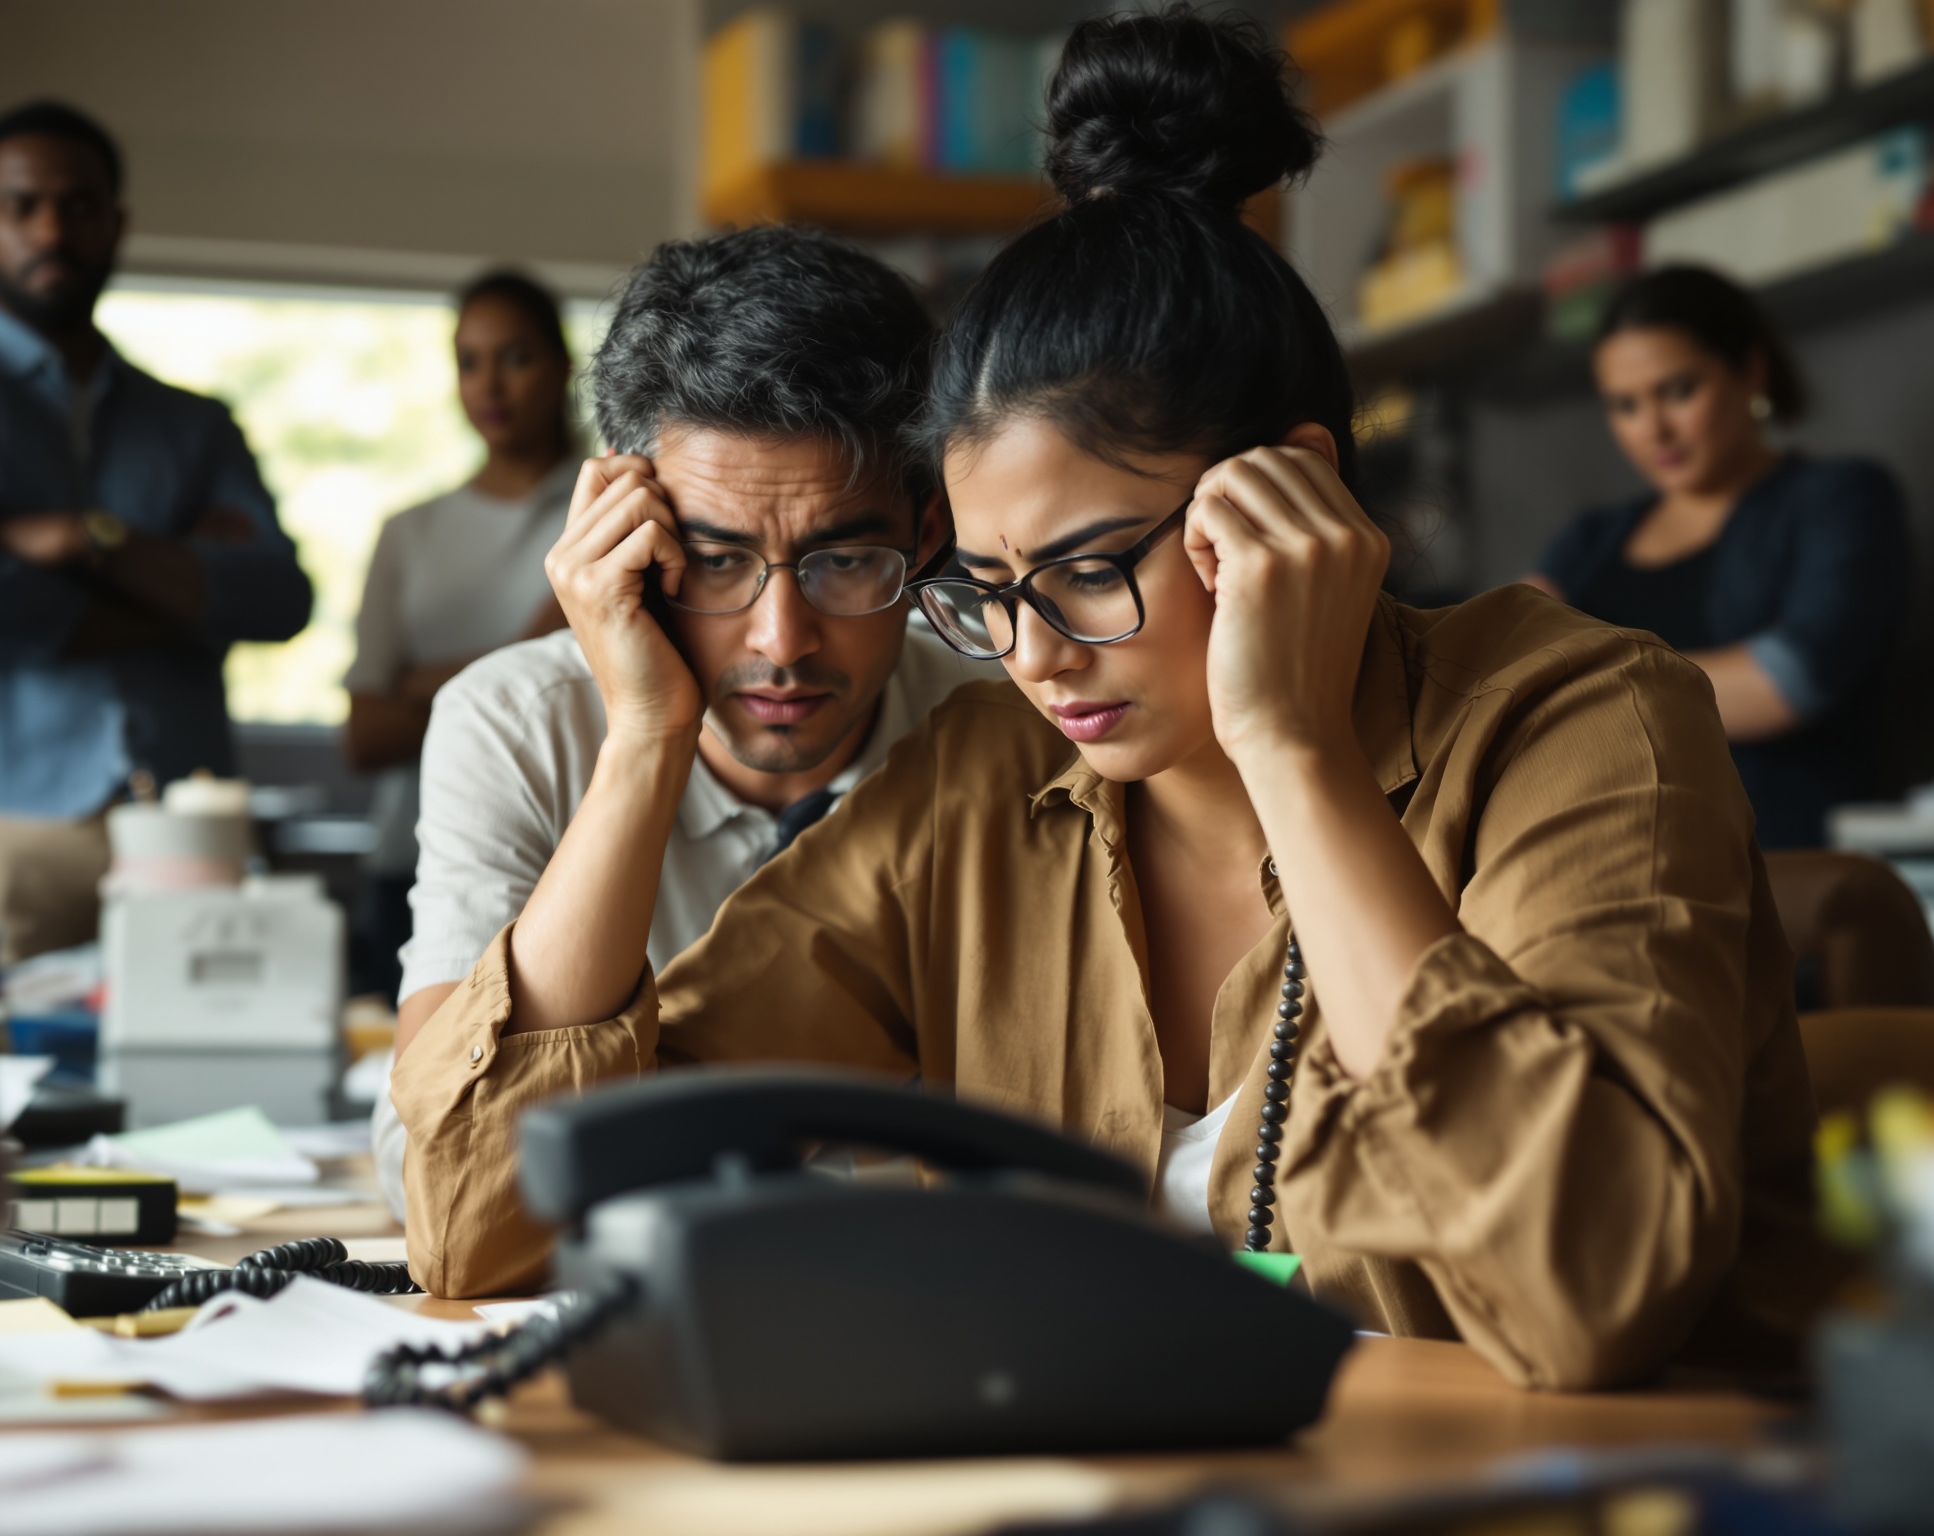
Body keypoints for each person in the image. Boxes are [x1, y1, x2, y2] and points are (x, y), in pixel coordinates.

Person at [392, 9, 1827, 1392]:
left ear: (1296, 496)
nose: (1036, 656)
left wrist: (1296, 753)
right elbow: (480, 1227)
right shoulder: (979, 785)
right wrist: (647, 734)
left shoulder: (1582, 723)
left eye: (1088, 571)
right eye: (990, 587)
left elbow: (1595, 1295)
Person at [369, 225, 997, 1215]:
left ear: (927, 533)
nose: (780, 640)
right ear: (623, 525)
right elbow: (429, 1172)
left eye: (843, 561)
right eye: (715, 561)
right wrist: (645, 737)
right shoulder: (514, 725)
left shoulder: (998, 729)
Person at [0, 101, 312, 959]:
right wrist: (181, 593)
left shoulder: (196, 424)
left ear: (116, 224)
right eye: (21, 206)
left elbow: (279, 598)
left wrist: (89, 539)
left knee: (211, 1071)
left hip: (192, 824)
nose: (51, 229)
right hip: (2, 822)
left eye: (78, 206)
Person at [1525, 266, 1907, 849]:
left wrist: (1576, 689)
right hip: (1604, 860)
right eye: (1624, 406)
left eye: (1677, 391)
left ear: (1750, 372)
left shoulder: (1837, 498)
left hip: (1778, 865)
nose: (1653, 429)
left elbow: (1789, 681)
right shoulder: (1589, 539)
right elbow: (1510, 675)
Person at [342, 271, 581, 999]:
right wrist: (525, 655)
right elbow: (364, 737)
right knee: (419, 1087)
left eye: (515, 357)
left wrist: (424, 683)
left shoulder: (610, 504)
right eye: (468, 361)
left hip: (569, 846)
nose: (491, 386)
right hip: (414, 854)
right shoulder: (410, 533)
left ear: (563, 364)